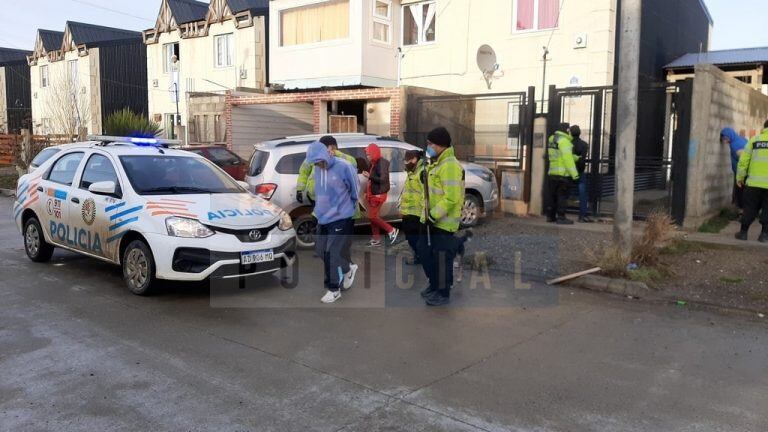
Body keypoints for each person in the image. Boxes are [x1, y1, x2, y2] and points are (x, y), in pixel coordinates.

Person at [306, 141, 360, 303]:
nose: (318, 165)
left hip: (340, 218)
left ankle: (334, 288)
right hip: (323, 217)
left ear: (326, 155)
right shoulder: (317, 169)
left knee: (331, 253)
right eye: (315, 162)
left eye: (319, 161)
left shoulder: (344, 166)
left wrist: (345, 207)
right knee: (321, 250)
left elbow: (355, 190)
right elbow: (320, 191)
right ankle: (347, 268)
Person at [419, 127, 465, 306]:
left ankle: (443, 292)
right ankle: (434, 284)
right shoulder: (437, 163)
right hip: (431, 220)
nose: (428, 146)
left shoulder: (450, 165)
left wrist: (433, 215)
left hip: (443, 222)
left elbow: (451, 197)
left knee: (442, 258)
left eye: (430, 143)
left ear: (440, 145)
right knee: (425, 253)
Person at [296, 135, 358, 205]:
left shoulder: (342, 158)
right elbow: (304, 172)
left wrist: (336, 153)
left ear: (332, 147)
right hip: (314, 197)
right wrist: (299, 190)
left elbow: (352, 163)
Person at [734, 121, 768, 243]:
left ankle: (743, 233)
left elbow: (743, 161)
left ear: (764, 127)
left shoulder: (754, 140)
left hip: (753, 184)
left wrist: (740, 178)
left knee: (749, 208)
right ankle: (764, 235)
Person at [363, 143, 399, 247]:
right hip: (373, 194)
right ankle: (376, 239)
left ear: (374, 153)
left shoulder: (381, 164)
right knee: (373, 217)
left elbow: (383, 179)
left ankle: (391, 230)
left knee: (372, 216)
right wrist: (367, 191)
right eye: (367, 154)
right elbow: (371, 181)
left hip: (378, 195)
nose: (367, 156)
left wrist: (369, 176)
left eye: (369, 154)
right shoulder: (374, 163)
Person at [546, 123, 579, 225]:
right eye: (568, 130)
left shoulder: (552, 139)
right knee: (562, 196)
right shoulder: (565, 142)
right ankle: (561, 217)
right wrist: (575, 174)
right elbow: (567, 159)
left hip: (552, 172)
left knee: (553, 196)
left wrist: (575, 157)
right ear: (566, 131)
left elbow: (559, 155)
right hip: (562, 174)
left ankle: (550, 216)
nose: (570, 132)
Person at [400, 149, 425, 264]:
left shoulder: (421, 173)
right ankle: (419, 256)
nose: (406, 162)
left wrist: (424, 212)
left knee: (414, 238)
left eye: (408, 160)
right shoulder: (412, 172)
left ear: (415, 159)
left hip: (417, 213)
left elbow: (425, 194)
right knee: (410, 238)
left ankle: (420, 257)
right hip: (409, 212)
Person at [570, 125, 593, 223]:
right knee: (582, 194)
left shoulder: (568, 144)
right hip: (580, 170)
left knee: (563, 192)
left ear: (570, 133)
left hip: (568, 171)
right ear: (580, 133)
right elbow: (582, 159)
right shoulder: (584, 144)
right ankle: (582, 216)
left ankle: (560, 214)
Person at [721, 127, 748, 212]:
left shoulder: (735, 144)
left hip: (742, 173)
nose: (724, 141)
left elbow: (743, 159)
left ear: (730, 136)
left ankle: (742, 213)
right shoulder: (740, 139)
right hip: (745, 172)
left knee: (741, 193)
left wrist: (741, 176)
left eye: (725, 138)